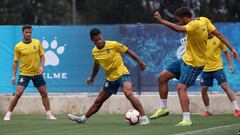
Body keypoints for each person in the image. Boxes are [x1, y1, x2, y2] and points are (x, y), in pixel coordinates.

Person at [150, 7, 239, 126]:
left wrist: (161, 21)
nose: (179, 22)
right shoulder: (204, 20)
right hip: (185, 60)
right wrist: (232, 48)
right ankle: (163, 108)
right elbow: (218, 33)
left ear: (185, 18)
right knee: (161, 77)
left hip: (195, 64)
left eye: (179, 20)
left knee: (181, 88)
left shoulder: (193, 25)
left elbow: (179, 29)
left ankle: (187, 119)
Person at [68, 28, 150, 125]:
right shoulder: (94, 52)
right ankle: (83, 119)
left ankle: (144, 118)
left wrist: (140, 63)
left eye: (100, 38)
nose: (99, 41)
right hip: (110, 79)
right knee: (98, 101)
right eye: (96, 40)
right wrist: (92, 77)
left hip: (122, 74)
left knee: (128, 93)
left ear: (102, 36)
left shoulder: (113, 44)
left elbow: (128, 51)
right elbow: (96, 66)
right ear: (92, 40)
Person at [4, 25, 56, 121]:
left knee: (44, 92)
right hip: (24, 74)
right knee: (18, 93)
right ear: (22, 33)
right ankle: (8, 114)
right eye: (26, 32)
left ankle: (49, 114)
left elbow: (42, 56)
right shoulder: (18, 46)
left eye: (30, 32)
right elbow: (15, 62)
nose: (28, 34)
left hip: (37, 73)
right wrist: (13, 76)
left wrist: (42, 66)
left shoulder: (37, 42)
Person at [201, 33, 240, 116]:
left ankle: (237, 109)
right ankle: (208, 110)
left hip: (217, 68)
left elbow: (226, 52)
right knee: (203, 89)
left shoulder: (218, 39)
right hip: (205, 69)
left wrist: (230, 65)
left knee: (225, 87)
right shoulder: (201, 39)